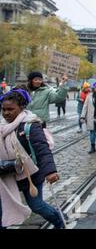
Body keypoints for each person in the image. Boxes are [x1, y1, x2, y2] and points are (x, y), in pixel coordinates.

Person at [0, 89, 64, 229]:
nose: (6, 113)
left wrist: (50, 172)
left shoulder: (30, 125)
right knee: (2, 208)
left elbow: (42, 149)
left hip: (29, 175)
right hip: (6, 175)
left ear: (22, 107)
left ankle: (59, 222)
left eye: (10, 109)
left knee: (37, 206)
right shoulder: (2, 126)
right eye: (3, 109)